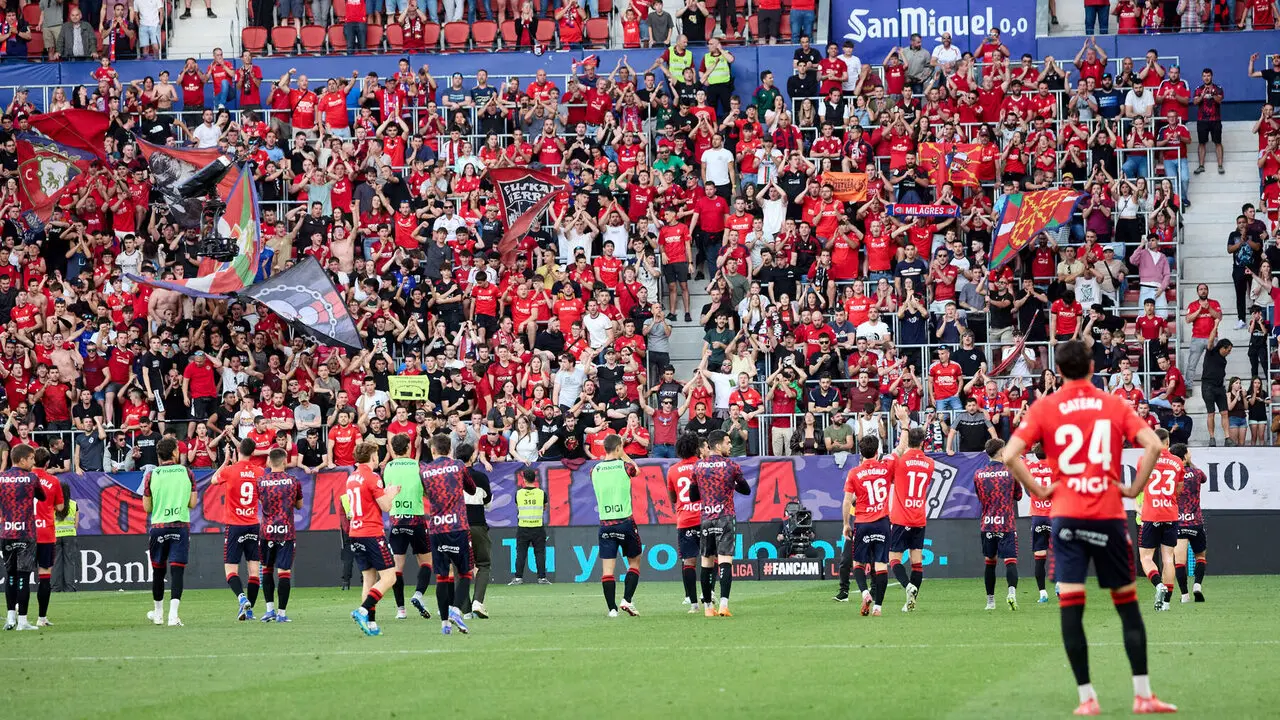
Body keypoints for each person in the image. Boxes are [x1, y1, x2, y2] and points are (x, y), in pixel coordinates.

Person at [1000, 340, 1176, 715]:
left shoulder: (1045, 407)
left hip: (1066, 518)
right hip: (1109, 517)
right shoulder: (1113, 404)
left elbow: (1010, 454)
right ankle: (1143, 695)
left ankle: (1087, 699)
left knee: (1071, 608)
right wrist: (1132, 489)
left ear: (1058, 371)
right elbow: (1155, 447)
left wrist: (1039, 489)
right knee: (1127, 606)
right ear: (1093, 367)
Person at [421, 433, 478, 635]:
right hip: (458, 526)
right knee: (465, 573)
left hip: (436, 528)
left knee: (442, 576)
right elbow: (471, 489)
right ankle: (455, 610)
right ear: (450, 449)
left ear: (433, 450)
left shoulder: (425, 470)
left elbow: (426, 493)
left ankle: (445, 624)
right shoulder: (459, 466)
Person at [690, 429, 750, 617]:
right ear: (718, 445)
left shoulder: (698, 466)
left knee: (706, 563)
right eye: (727, 442)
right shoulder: (731, 466)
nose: (730, 445)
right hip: (725, 516)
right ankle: (723, 605)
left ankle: (708, 608)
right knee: (725, 561)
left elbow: (693, 496)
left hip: (707, 517)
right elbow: (746, 490)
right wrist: (729, 484)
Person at [345, 441, 401, 637]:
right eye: (377, 454)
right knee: (390, 577)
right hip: (372, 533)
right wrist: (391, 493)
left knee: (369, 579)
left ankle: (371, 624)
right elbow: (386, 506)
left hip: (355, 533)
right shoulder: (373, 477)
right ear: (373, 457)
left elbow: (367, 502)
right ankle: (362, 611)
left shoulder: (352, 477)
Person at [209, 437, 265, 621]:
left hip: (234, 526)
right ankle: (249, 611)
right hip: (252, 524)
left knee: (231, 570)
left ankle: (242, 598)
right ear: (253, 452)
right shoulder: (260, 472)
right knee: (254, 571)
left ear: (238, 450)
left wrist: (225, 461)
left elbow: (213, 480)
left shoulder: (229, 470)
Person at [140, 438, 195, 628]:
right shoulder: (186, 472)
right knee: (177, 571)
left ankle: (158, 614)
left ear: (159, 455)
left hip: (159, 526)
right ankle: (173, 615)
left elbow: (147, 507)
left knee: (158, 571)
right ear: (174, 453)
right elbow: (192, 503)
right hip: (180, 525)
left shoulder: (151, 475)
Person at [590, 434, 644, 617]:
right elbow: (637, 471)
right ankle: (627, 600)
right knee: (635, 561)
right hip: (625, 522)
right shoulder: (625, 465)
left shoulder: (595, 470)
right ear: (619, 447)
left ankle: (612, 609)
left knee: (607, 570)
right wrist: (624, 456)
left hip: (605, 524)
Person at [886, 406, 933, 612]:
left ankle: (908, 587)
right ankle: (910, 602)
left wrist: (903, 423)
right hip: (919, 517)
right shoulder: (930, 463)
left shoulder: (900, 461)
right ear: (922, 442)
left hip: (900, 517)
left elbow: (899, 451)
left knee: (894, 559)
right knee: (917, 562)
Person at [383, 433, 434, 621]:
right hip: (416, 519)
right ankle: (418, 595)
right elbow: (427, 491)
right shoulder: (418, 466)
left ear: (393, 449)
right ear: (408, 448)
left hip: (396, 520)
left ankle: (400, 610)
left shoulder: (387, 467)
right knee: (427, 563)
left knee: (397, 568)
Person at [842, 434, 891, 617]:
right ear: (877, 452)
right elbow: (901, 449)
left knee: (858, 563)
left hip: (862, 523)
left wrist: (846, 523)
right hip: (882, 522)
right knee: (881, 565)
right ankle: (878, 607)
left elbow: (847, 501)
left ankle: (865, 593)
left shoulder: (854, 473)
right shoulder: (885, 468)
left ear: (860, 453)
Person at [257, 447, 303, 623]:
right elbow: (299, 505)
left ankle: (269, 610)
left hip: (266, 531)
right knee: (284, 571)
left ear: (269, 462)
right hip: (286, 531)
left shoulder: (260, 481)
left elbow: (261, 501)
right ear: (284, 461)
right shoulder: (293, 481)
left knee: (267, 569)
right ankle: (282, 614)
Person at [1138, 428, 1182, 612]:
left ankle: (1158, 585)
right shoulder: (1177, 462)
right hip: (1170, 513)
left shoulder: (1144, 459)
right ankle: (1166, 603)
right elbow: (1178, 489)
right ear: (1167, 442)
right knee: (1168, 559)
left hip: (1151, 515)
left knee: (1146, 557)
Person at [974, 438, 1021, 611]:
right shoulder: (1011, 472)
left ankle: (990, 602)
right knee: (1010, 561)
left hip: (987, 523)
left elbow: (980, 497)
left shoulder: (979, 473)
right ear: (1001, 452)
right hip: (1006, 523)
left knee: (989, 563)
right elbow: (1018, 496)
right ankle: (1011, 594)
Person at [666, 433, 704, 609]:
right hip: (705, 517)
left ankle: (692, 601)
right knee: (710, 558)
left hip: (685, 519)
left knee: (688, 561)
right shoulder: (703, 466)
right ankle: (708, 593)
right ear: (696, 447)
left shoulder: (673, 470)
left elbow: (673, 497)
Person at [31, 448, 64, 627]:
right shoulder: (53, 480)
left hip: (26, 532)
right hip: (45, 534)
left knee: (21, 576)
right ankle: (41, 618)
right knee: (44, 577)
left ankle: (18, 617)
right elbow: (60, 508)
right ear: (47, 463)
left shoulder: (25, 480)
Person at [459, 443, 493, 619]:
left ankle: (465, 610)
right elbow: (488, 503)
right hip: (477, 524)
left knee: (460, 567)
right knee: (483, 564)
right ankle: (477, 602)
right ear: (472, 457)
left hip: (458, 526)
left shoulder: (453, 477)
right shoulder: (481, 477)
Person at [1171, 443, 1207, 603]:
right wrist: (1189, 463)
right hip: (1196, 522)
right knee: (1200, 556)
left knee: (1179, 561)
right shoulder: (1197, 473)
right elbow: (1204, 478)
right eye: (1188, 452)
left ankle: (1184, 595)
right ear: (1185, 456)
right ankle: (1197, 585)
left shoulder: (1171, 474)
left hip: (1178, 522)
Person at [1025, 444, 1056, 603]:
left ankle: (1043, 593)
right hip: (1055, 515)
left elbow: (1016, 455)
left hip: (1038, 517)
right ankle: (1059, 584)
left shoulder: (1029, 467)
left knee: (1039, 556)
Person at [512, 466, 550, 585]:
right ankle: (542, 578)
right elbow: (545, 507)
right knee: (539, 553)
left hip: (523, 527)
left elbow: (518, 507)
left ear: (524, 479)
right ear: (535, 479)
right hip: (538, 527)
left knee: (521, 553)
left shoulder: (518, 493)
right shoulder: (541, 493)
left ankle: (518, 578)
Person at [52, 481, 78, 593]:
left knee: (56, 562)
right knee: (69, 562)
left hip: (55, 536)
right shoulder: (74, 504)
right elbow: (76, 524)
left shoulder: (53, 505)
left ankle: (55, 587)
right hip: (70, 535)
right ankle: (70, 587)